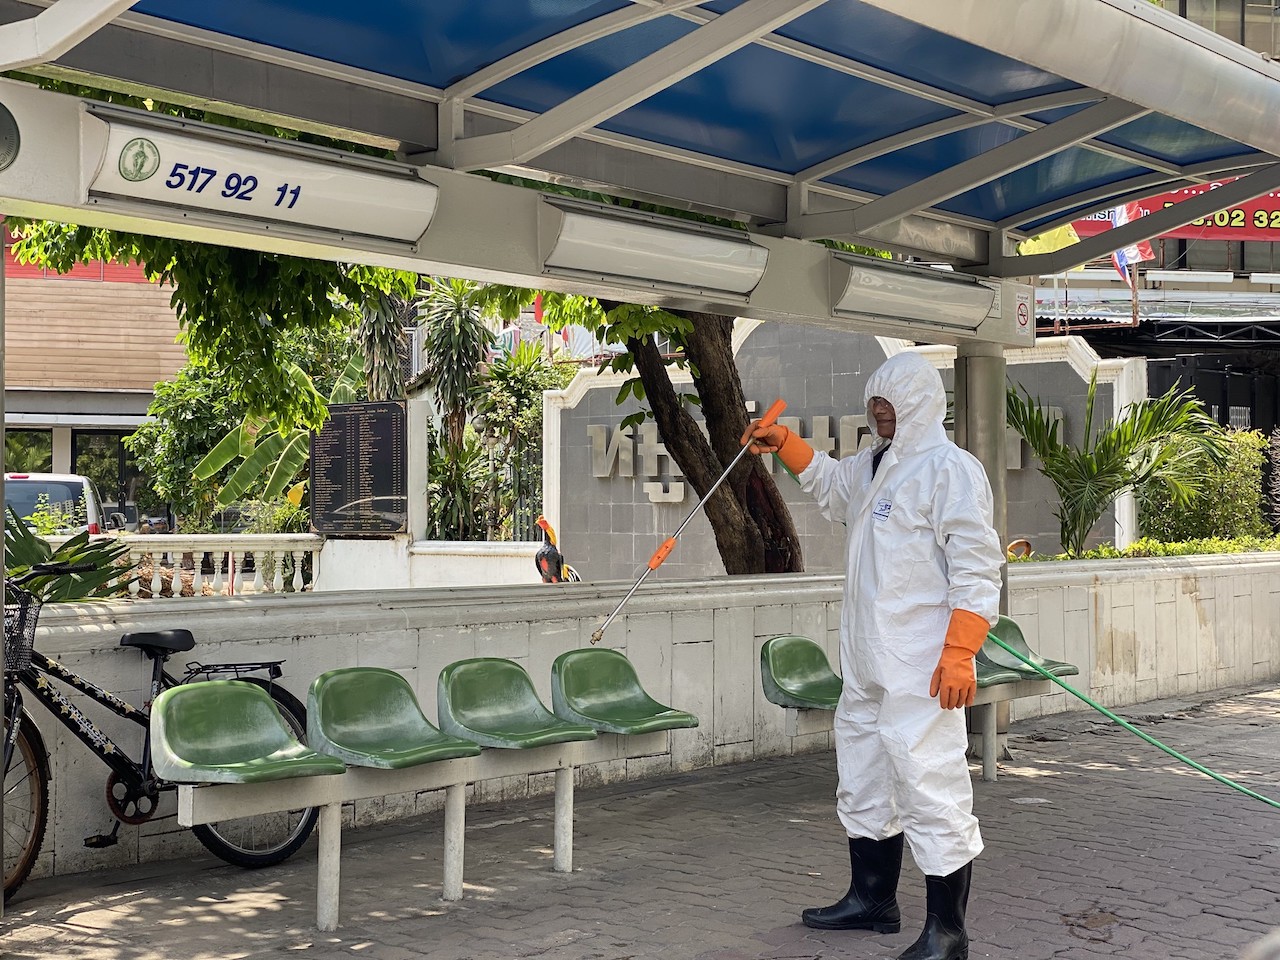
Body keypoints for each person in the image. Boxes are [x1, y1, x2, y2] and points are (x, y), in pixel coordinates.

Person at [740, 350, 1003, 960]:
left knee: (929, 784)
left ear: (918, 406)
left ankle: (947, 933)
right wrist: (785, 442)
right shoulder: (875, 466)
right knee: (862, 775)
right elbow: (833, 486)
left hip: (920, 666)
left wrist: (961, 651)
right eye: (874, 403)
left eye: (890, 403)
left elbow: (976, 564)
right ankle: (873, 899)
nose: (879, 411)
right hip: (865, 662)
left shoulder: (949, 470)